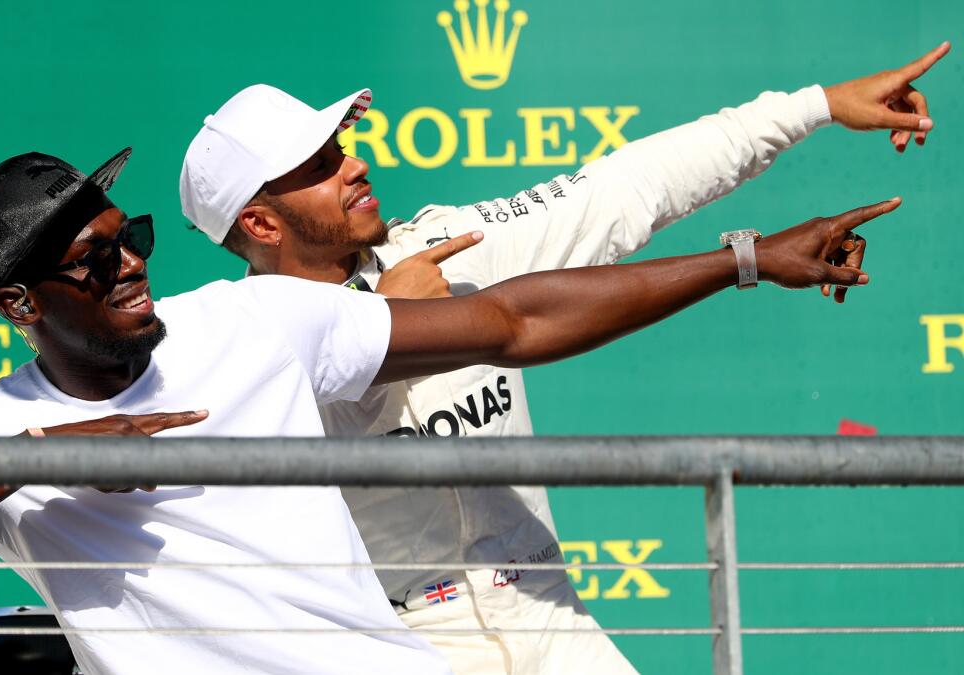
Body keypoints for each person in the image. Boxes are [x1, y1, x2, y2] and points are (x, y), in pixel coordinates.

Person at [0, 139, 893, 675]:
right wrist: (48, 455)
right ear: (22, 304)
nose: (130, 263)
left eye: (133, 237)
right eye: (95, 258)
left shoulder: (252, 321)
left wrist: (746, 257)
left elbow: (513, 321)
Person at [178, 42, 948, 674]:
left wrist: (813, 106)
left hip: (554, 615)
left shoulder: (452, 243)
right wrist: (390, 317)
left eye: (340, 147)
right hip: (402, 644)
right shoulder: (238, 339)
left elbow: (628, 188)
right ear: (259, 222)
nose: (352, 165)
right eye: (318, 167)